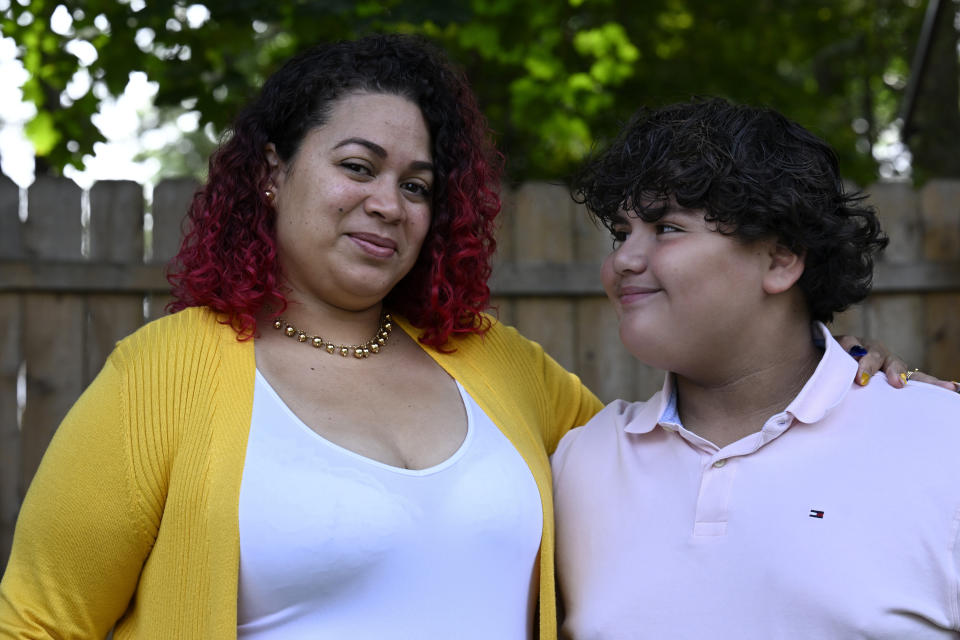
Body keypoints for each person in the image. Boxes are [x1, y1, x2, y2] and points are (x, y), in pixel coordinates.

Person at [0, 37, 918, 640]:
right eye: (357, 167)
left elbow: (679, 449)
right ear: (274, 176)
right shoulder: (167, 372)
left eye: (417, 185)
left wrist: (847, 381)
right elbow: (37, 621)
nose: (386, 203)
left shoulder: (492, 364)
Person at [552, 97, 960, 639]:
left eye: (666, 228)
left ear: (780, 259)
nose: (623, 260)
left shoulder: (941, 442)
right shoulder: (578, 462)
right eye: (622, 234)